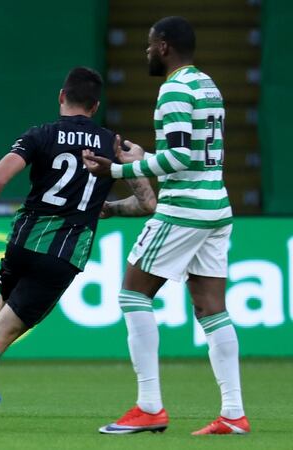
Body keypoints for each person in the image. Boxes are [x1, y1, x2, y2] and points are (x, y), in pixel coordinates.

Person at [0, 67, 156, 430]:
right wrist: (118, 199)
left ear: (61, 97)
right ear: (95, 105)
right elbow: (147, 203)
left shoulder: (40, 134)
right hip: (63, 254)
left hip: (23, 242)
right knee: (1, 335)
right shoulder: (114, 144)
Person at [82, 16, 250, 436]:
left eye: (149, 44)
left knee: (132, 293)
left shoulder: (173, 89)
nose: (146, 52)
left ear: (163, 46)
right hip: (216, 207)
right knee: (211, 308)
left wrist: (121, 167)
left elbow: (179, 160)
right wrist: (145, 155)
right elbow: (193, 152)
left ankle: (149, 406)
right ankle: (233, 413)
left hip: (184, 209)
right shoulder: (208, 85)